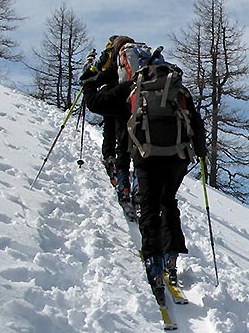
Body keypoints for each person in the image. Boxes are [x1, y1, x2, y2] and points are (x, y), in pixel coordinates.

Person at [84, 39, 207, 301]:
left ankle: (153, 260)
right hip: (177, 155)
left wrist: (89, 81)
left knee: (149, 204)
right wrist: (201, 153)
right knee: (167, 201)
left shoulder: (133, 87)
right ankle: (171, 255)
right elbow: (196, 123)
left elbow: (95, 103)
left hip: (146, 152)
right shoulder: (178, 90)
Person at [81, 35, 135, 207]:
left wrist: (88, 81)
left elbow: (96, 76)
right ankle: (134, 182)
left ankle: (111, 161)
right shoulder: (137, 58)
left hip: (112, 96)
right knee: (129, 140)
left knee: (111, 130)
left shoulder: (111, 56)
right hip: (135, 100)